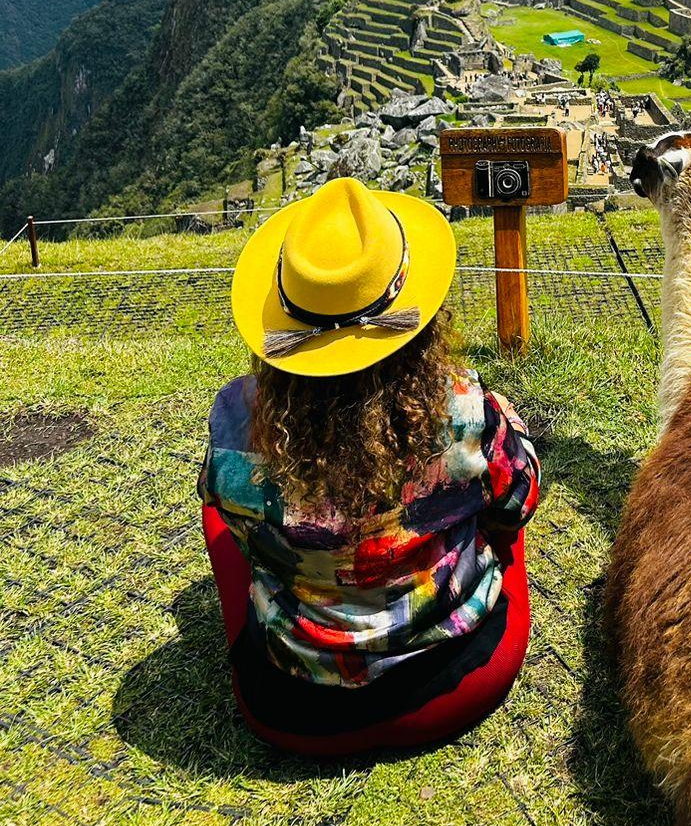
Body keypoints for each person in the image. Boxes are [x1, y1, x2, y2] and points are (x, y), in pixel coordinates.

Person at [199, 177, 540, 756]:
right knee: (497, 479)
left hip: (297, 707)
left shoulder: (237, 419)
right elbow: (521, 498)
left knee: (217, 511)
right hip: (462, 672)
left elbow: (233, 523)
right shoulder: (463, 406)